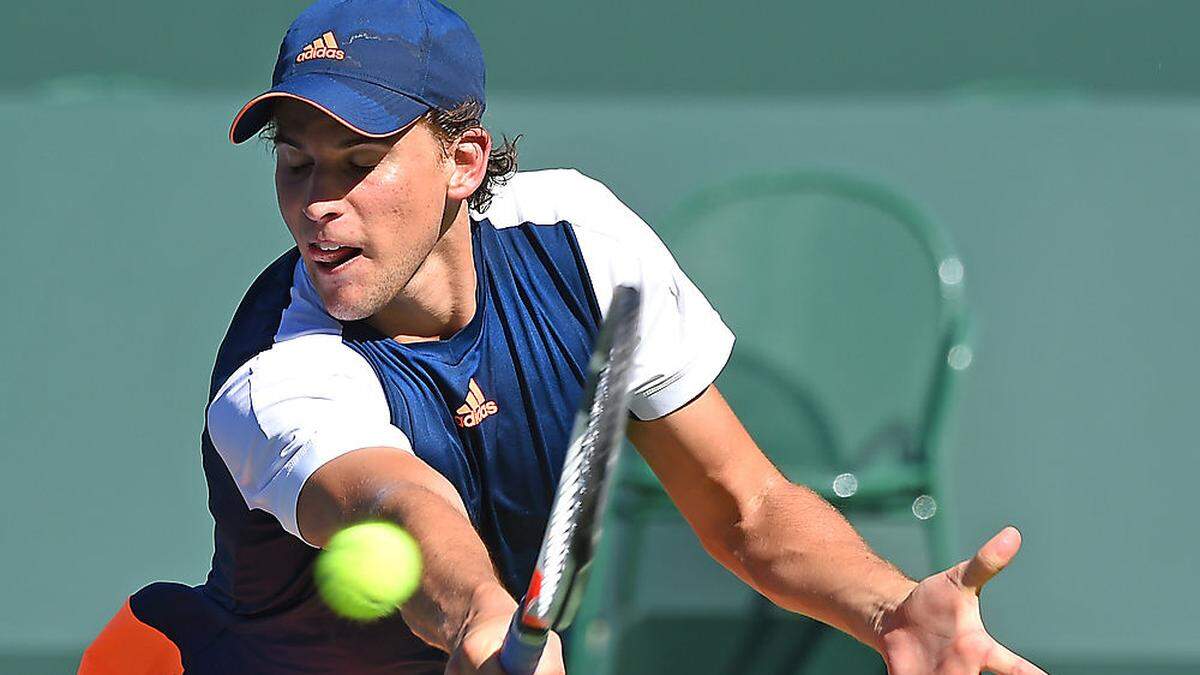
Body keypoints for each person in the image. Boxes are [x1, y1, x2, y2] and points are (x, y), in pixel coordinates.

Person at [79, 1, 1046, 674]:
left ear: (463, 161)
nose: (318, 204)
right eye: (295, 165)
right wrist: (486, 618)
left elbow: (746, 508)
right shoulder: (277, 374)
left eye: (360, 163)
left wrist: (889, 610)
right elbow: (408, 516)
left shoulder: (578, 239)